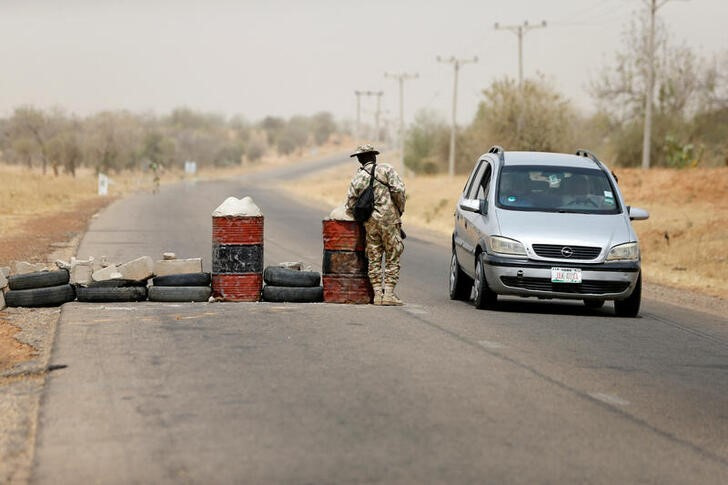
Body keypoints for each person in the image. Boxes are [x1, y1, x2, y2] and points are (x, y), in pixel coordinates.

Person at [345, 144, 406, 306]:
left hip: (370, 222)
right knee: (393, 254)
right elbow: (399, 191)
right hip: (390, 219)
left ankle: (378, 294)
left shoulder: (358, 178)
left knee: (374, 256)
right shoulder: (387, 170)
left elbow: (350, 204)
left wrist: (361, 218)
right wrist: (399, 210)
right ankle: (389, 294)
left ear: (359, 159)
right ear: (374, 157)